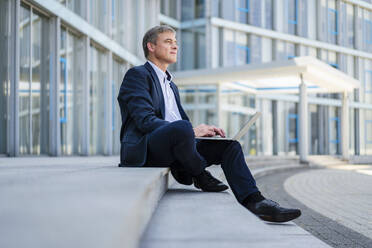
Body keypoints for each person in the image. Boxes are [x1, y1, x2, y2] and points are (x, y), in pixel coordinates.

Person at [117, 25, 301, 223]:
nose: (175, 46)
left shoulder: (171, 85)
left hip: (176, 147)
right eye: (168, 42)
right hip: (146, 150)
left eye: (176, 43)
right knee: (183, 127)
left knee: (229, 147)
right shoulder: (137, 75)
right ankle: (200, 175)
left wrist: (195, 135)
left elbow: (179, 125)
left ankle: (255, 201)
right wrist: (190, 130)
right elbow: (145, 121)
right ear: (151, 46)